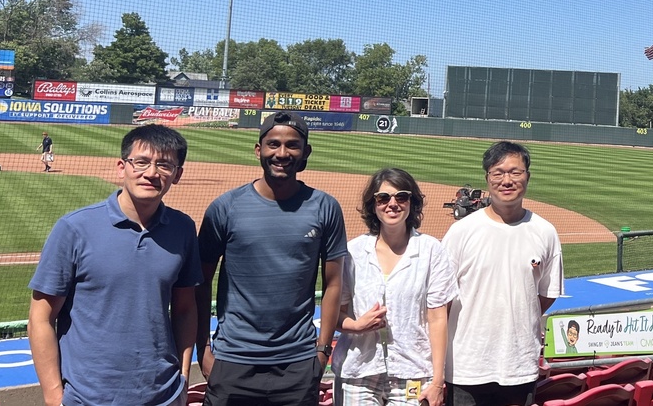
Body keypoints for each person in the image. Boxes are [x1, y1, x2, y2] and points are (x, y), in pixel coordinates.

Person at [28, 124, 200, 406]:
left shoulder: (182, 229)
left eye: (164, 165)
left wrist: (182, 379)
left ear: (177, 175)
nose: (151, 173)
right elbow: (40, 317)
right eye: (141, 162)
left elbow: (185, 308)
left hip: (164, 395)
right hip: (88, 397)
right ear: (122, 167)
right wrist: (54, 397)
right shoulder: (74, 228)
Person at [196, 111, 348, 406]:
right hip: (232, 361)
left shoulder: (325, 207)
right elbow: (200, 282)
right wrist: (204, 350)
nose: (282, 153)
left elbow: (333, 284)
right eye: (273, 144)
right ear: (258, 150)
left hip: (298, 363)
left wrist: (321, 352)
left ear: (306, 152)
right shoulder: (225, 208)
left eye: (292, 145)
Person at [443, 141, 563, 406]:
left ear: (527, 177)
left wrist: (517, 316)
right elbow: (442, 301)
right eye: (498, 173)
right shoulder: (461, 232)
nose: (507, 180)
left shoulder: (545, 232)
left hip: (518, 367)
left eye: (515, 172)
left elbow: (545, 295)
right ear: (488, 178)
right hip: (466, 367)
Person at [334, 168, 458, 406]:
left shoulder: (431, 250)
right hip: (359, 371)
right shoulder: (354, 252)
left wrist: (437, 381)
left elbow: (438, 318)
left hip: (413, 371)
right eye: (383, 198)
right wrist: (357, 325)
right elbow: (335, 314)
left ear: (412, 202)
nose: (392, 204)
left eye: (401, 196)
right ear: (373, 204)